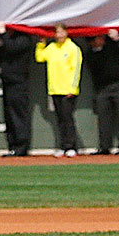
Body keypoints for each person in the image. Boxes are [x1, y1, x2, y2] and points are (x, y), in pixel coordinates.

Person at [0, 24, 37, 156]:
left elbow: (11, 47)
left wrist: (1, 34)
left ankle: (21, 146)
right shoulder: (10, 40)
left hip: (19, 83)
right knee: (9, 115)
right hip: (7, 82)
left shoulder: (24, 39)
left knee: (19, 115)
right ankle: (13, 145)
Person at [36, 26, 84, 156]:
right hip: (55, 89)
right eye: (57, 32)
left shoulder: (73, 48)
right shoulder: (52, 47)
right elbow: (40, 57)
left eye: (62, 32)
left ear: (66, 33)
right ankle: (63, 146)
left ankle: (71, 147)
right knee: (60, 119)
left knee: (68, 118)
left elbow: (76, 70)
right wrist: (41, 43)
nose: (59, 35)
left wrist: (72, 89)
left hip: (68, 90)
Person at [85, 28, 119, 154]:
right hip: (103, 88)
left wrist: (117, 39)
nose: (101, 39)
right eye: (98, 38)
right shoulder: (91, 54)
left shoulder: (113, 46)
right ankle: (104, 147)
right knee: (103, 119)